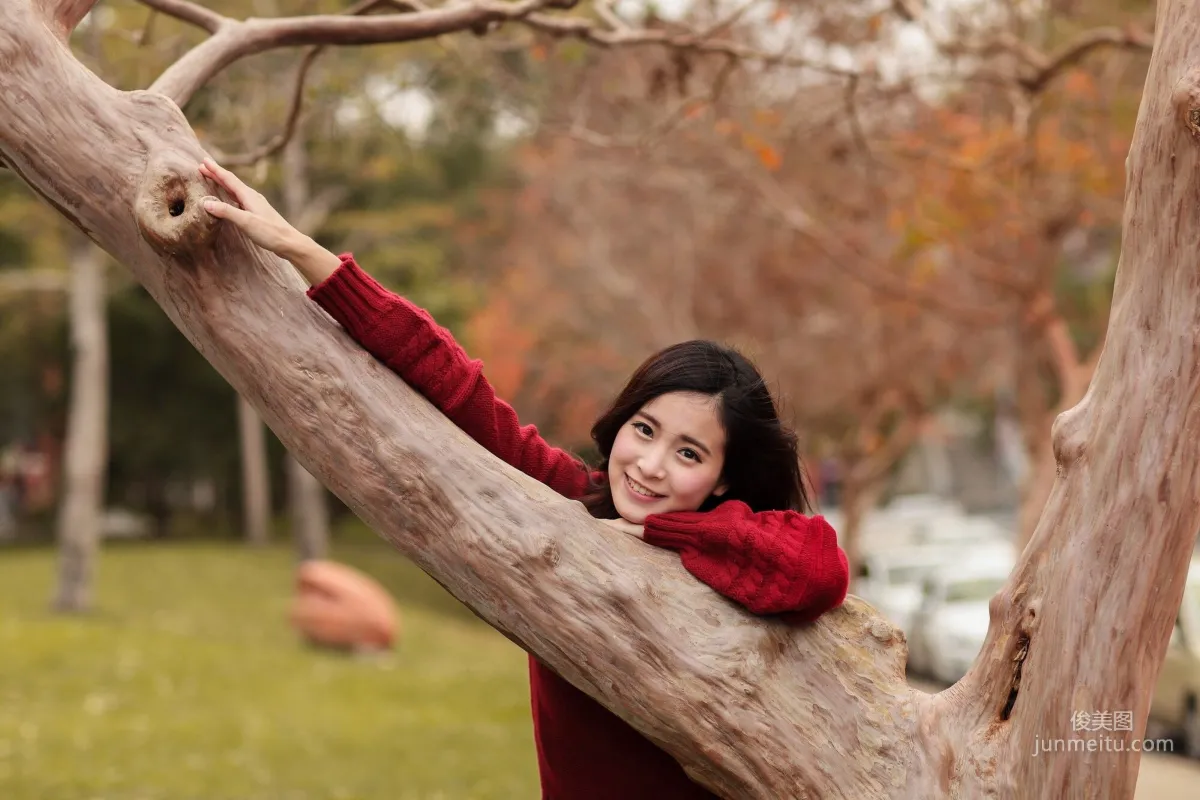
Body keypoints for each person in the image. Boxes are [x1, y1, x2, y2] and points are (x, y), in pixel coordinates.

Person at [198, 158, 850, 799]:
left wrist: (660, 530)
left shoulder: (736, 547)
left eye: (688, 454)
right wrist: (300, 250)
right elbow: (451, 379)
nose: (650, 465)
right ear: (621, 423)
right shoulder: (565, 501)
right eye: (645, 431)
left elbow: (819, 570)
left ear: (720, 479)